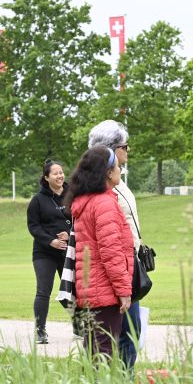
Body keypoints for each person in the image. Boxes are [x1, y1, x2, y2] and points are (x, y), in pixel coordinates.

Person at [64, 145, 134, 361]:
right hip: (105, 293)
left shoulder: (87, 201)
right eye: (117, 166)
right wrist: (123, 291)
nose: (120, 169)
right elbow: (111, 252)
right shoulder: (103, 203)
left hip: (91, 291)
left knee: (94, 351)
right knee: (103, 355)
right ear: (107, 172)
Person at [88, 120, 141, 370]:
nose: (128, 151)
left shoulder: (118, 183)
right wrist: (122, 288)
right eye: (125, 146)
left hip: (128, 267)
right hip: (116, 275)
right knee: (122, 337)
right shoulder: (104, 192)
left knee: (131, 333)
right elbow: (110, 244)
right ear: (111, 150)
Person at [26, 159, 70, 344]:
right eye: (55, 173)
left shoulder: (73, 195)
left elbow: (81, 220)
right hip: (44, 252)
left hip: (67, 250)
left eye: (61, 172)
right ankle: (40, 330)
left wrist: (68, 235)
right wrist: (51, 241)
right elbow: (33, 227)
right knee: (44, 291)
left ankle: (80, 325)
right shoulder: (38, 200)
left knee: (71, 290)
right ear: (46, 177)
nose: (60, 176)